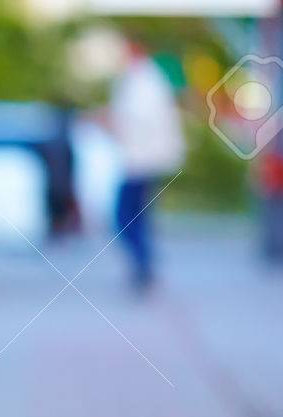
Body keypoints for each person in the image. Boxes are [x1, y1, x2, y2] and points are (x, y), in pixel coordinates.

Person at [107, 41, 185, 292]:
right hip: (141, 160)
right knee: (136, 216)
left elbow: (138, 121)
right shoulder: (145, 79)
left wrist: (112, 123)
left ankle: (143, 263)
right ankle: (143, 264)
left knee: (124, 217)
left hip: (139, 161)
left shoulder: (143, 81)